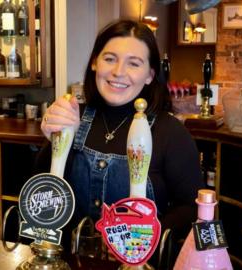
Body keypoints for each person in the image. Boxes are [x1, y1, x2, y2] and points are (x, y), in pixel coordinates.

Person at [36, 19, 205, 263]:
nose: (118, 72)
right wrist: (54, 142)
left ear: (149, 75)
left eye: (133, 63)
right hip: (68, 262)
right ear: (95, 62)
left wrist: (134, 239)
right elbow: (42, 193)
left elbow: (191, 209)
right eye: (110, 59)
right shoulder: (74, 116)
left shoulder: (170, 132)